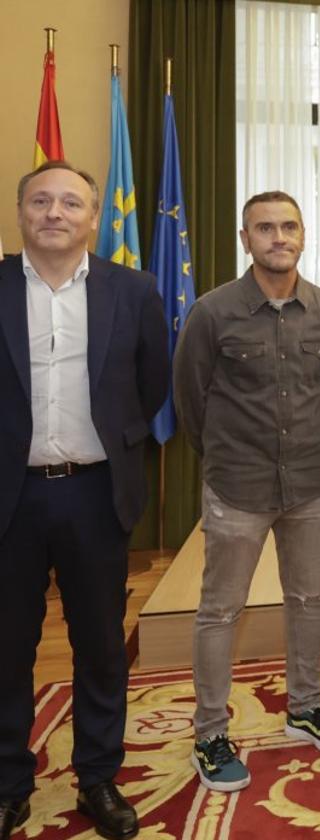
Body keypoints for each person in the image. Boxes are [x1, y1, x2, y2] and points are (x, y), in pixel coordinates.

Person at [0, 161, 168, 840]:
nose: (54, 212)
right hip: (10, 499)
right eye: (40, 200)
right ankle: (10, 783)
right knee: (8, 648)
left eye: (71, 202)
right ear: (21, 213)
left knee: (100, 647)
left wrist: (119, 442)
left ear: (93, 218)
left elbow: (151, 381)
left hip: (97, 495)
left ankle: (98, 776)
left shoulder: (134, 290)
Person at [174, 191, 320, 793]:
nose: (279, 237)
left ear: (303, 235)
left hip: (308, 481)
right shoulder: (212, 312)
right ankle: (209, 733)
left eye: (289, 226)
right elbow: (190, 400)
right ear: (245, 238)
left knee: (307, 599)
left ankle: (305, 707)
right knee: (220, 610)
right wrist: (228, 455)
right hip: (237, 487)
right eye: (265, 228)